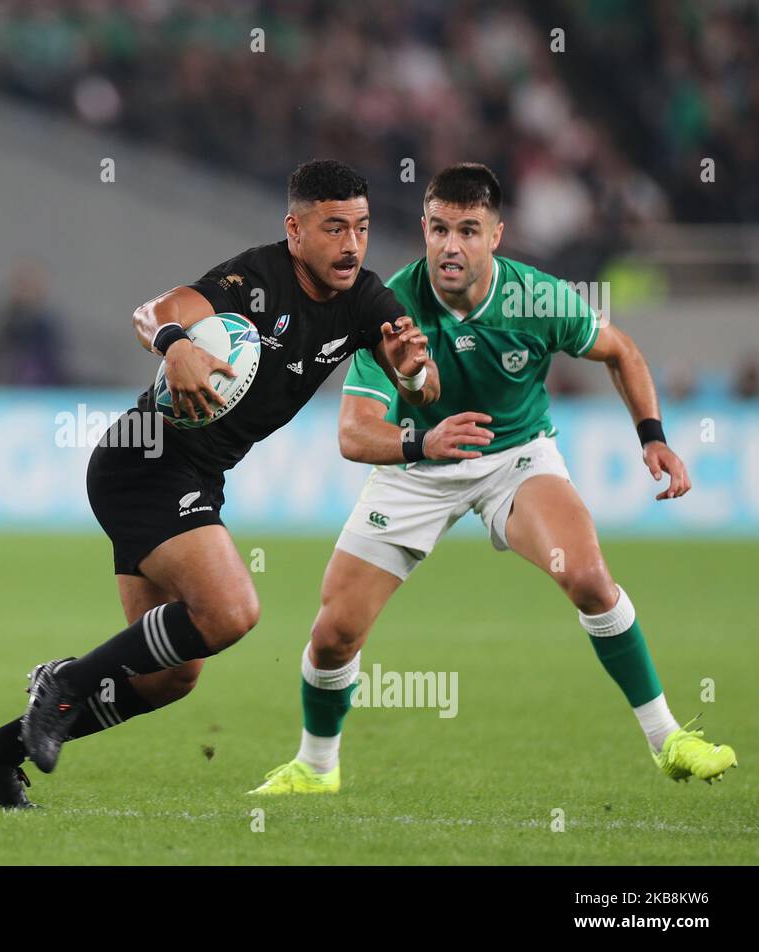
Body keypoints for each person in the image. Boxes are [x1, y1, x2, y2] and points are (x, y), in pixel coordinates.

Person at [0, 159, 436, 808]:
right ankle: (64, 684)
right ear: (295, 230)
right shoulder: (256, 279)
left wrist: (414, 374)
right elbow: (157, 311)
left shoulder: (367, 298)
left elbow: (421, 379)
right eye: (333, 228)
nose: (351, 244)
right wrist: (177, 342)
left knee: (170, 677)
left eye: (362, 228)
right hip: (143, 462)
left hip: (195, 474)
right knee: (232, 611)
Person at [252, 163, 735, 795]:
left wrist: (653, 438)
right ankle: (317, 768)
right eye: (439, 229)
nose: (451, 246)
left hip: (516, 460)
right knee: (335, 634)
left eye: (469, 231)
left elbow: (622, 351)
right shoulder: (387, 308)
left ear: (496, 236)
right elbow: (352, 433)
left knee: (587, 577)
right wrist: (419, 438)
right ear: (423, 229)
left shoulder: (537, 299)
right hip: (419, 467)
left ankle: (668, 738)